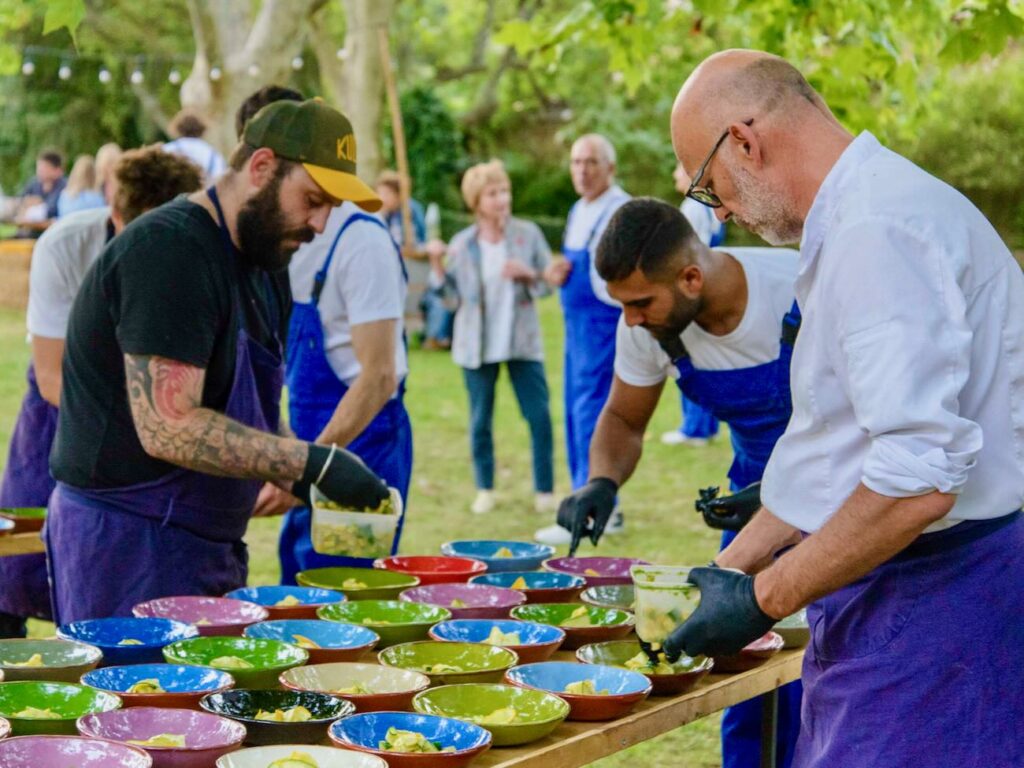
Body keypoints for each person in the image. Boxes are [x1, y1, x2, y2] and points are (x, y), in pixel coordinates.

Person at [667, 50, 1024, 767]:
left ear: (744, 140)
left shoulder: (876, 231)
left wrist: (761, 600)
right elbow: (852, 444)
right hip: (898, 588)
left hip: (941, 598)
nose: (722, 213)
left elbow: (917, 483)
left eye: (711, 190)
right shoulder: (858, 216)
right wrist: (732, 568)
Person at [44, 99, 391, 624]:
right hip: (126, 544)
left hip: (207, 546)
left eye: (331, 209)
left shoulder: (266, 263)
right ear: (261, 168)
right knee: (139, 704)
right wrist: (309, 462)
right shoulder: (170, 252)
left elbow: (252, 396)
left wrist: (291, 472)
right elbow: (169, 425)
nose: (320, 223)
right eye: (313, 199)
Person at [557, 196, 802, 768]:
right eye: (623, 306)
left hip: (842, 493)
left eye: (640, 303)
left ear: (692, 276)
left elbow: (861, 430)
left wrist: (784, 493)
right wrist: (602, 481)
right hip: (751, 503)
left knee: (824, 672)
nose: (630, 321)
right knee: (745, 668)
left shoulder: (799, 289)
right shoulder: (646, 326)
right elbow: (623, 418)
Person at [0, 146, 204, 638]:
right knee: (15, 566)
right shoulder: (66, 245)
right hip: (61, 411)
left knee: (125, 577)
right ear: (117, 213)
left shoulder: (199, 252)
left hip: (154, 420)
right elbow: (52, 376)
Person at [274, 169, 413, 584]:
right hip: (306, 439)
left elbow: (379, 376)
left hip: (363, 441)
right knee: (299, 583)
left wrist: (310, 467)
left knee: (346, 589)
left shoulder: (361, 242)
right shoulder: (286, 239)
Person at [431, 160, 555, 515]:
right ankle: (485, 488)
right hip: (476, 345)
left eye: (505, 191)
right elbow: (450, 302)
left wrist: (528, 273)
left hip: (522, 343)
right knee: (480, 420)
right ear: (476, 201)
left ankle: (544, 490)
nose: (502, 199)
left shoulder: (527, 234)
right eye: (493, 193)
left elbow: (548, 283)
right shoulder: (461, 244)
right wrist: (439, 266)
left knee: (539, 416)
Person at [534, 134, 629, 545]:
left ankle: (600, 505)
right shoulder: (578, 210)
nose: (582, 170)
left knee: (593, 409)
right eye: (576, 162)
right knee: (574, 409)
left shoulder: (618, 210)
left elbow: (615, 275)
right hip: (575, 326)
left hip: (602, 323)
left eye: (591, 162)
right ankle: (579, 495)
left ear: (609, 167)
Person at [661, 161, 724, 447]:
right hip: (707, 285)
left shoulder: (692, 208)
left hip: (692, 290)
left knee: (688, 356)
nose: (674, 174)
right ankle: (704, 425)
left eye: (677, 169)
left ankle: (695, 427)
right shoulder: (708, 207)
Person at [376, 170, 452, 350]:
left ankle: (435, 336)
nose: (382, 198)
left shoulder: (410, 211)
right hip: (388, 266)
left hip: (413, 268)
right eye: (379, 193)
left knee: (435, 295)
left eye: (386, 194)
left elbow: (420, 240)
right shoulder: (379, 213)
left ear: (398, 194)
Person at [163, 108, 227, 182]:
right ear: (202, 129)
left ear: (178, 128)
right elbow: (219, 177)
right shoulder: (213, 153)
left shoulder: (167, 150)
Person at [14, 150, 66, 237]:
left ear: (57, 170)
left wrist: (38, 203)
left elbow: (51, 210)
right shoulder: (34, 183)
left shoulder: (64, 187)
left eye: (44, 168)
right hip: (29, 231)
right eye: (38, 167)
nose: (39, 171)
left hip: (51, 234)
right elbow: (21, 201)